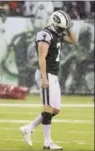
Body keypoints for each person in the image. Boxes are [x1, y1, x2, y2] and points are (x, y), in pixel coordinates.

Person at [20, 10, 76, 150]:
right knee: (48, 108)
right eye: (61, 27)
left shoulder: (57, 33)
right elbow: (41, 58)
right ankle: (47, 142)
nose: (62, 30)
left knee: (55, 110)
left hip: (53, 75)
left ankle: (29, 127)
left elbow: (73, 40)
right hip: (46, 74)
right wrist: (44, 78)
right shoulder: (44, 34)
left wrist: (67, 26)